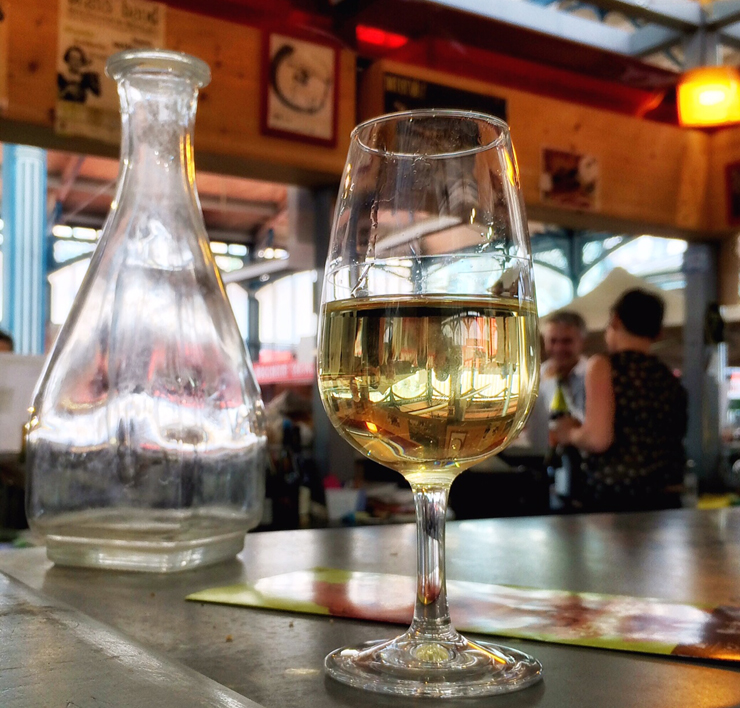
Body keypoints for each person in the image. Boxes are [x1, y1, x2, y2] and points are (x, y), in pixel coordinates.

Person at [554, 288, 687, 513]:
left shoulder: (604, 366)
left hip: (616, 498)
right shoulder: (667, 376)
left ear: (615, 320)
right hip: (666, 497)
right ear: (658, 333)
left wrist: (569, 433)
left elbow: (598, 439)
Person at [524, 311, 588, 456]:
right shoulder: (534, 377)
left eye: (567, 341)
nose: (559, 348)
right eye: (553, 341)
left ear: (582, 341)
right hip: (542, 457)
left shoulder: (593, 376)